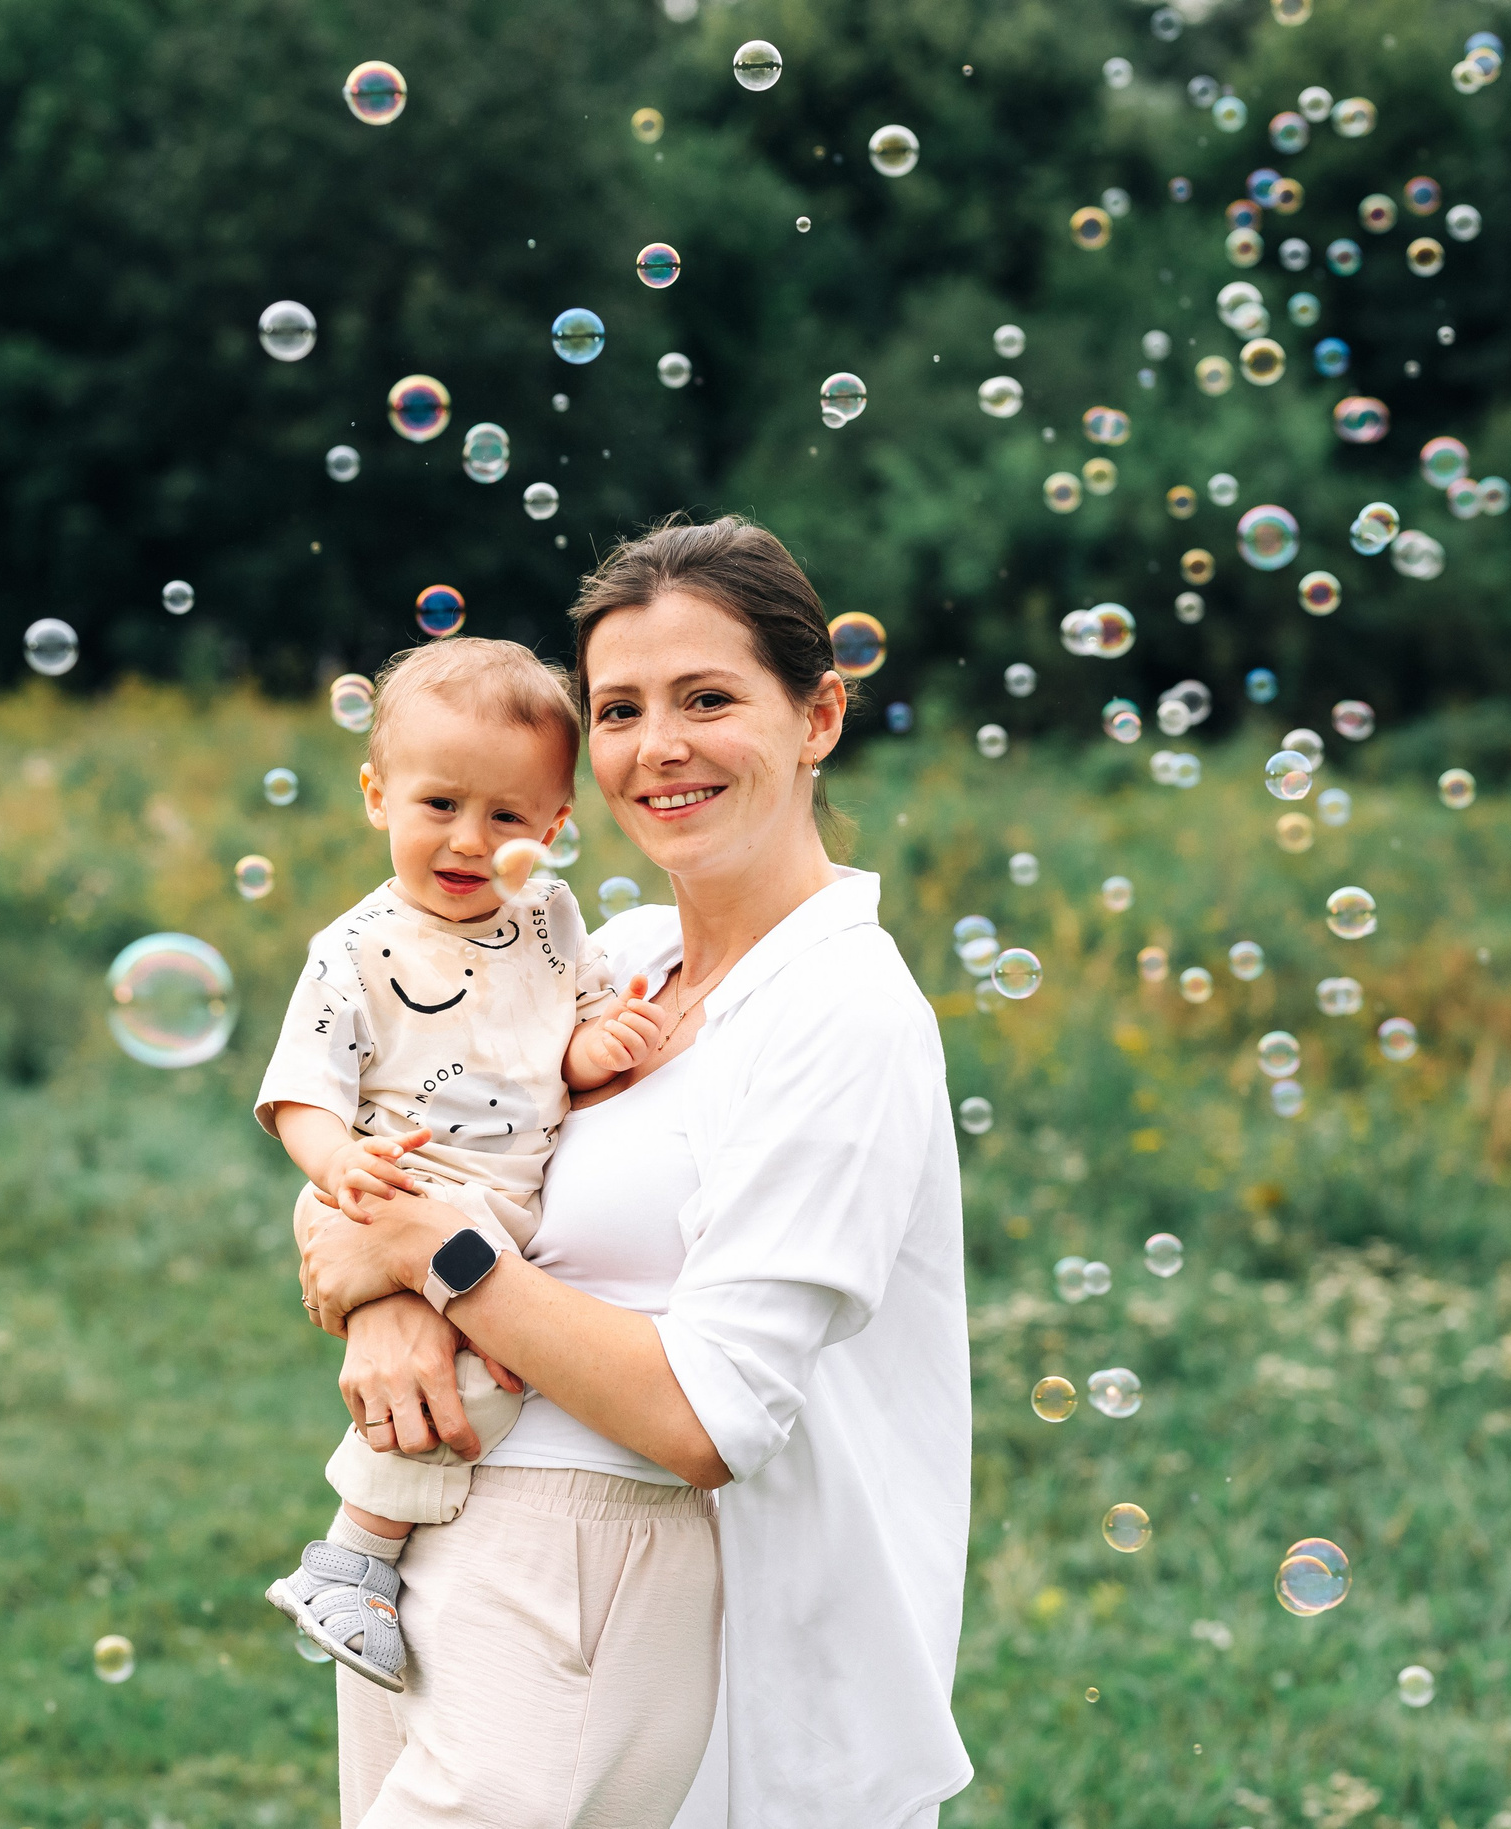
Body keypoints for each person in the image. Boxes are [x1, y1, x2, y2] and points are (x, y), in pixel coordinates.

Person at [299, 515, 974, 1828]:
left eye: (708, 698)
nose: (657, 746)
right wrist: (384, 1296)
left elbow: (703, 1420)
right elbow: (380, 1169)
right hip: (447, 1556)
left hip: (697, 1650)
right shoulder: (611, 957)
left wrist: (436, 1259)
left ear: (818, 715)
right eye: (618, 709)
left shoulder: (842, 1012)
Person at [254, 637, 685, 1691]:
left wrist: (597, 1050)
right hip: (406, 1185)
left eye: (505, 816)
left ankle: (377, 1556)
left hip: (504, 1208)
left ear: (554, 827)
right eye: (437, 804)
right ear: (376, 795)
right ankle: (350, 1555)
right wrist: (340, 1166)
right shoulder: (354, 947)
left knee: (489, 1360)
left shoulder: (549, 921)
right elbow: (300, 1091)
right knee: (476, 1392)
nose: (467, 840)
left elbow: (564, 1032)